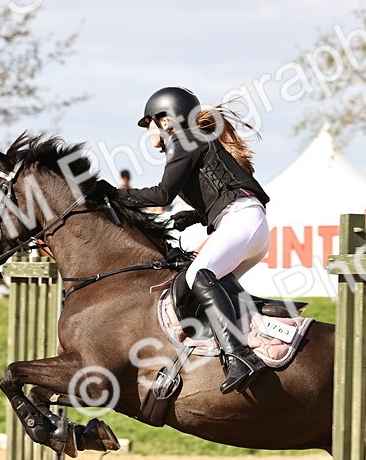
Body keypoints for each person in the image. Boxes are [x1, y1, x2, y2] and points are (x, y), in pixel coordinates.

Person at [112, 87, 271, 394]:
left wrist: (113, 194)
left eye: (149, 124)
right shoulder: (195, 140)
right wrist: (198, 215)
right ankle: (255, 334)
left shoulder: (184, 140)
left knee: (199, 275)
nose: (148, 133)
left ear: (166, 120)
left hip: (242, 221)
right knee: (196, 288)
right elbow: (224, 189)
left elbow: (162, 195)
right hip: (246, 224)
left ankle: (239, 357)